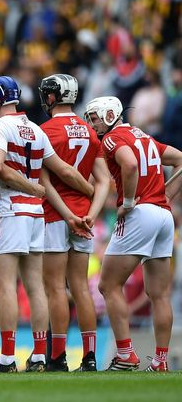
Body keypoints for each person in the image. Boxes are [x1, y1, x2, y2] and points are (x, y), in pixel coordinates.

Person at [0, 76, 94, 373]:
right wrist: (90, 192)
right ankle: (39, 354)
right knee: (36, 286)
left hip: (9, 209)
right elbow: (63, 170)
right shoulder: (36, 129)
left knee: (5, 286)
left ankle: (9, 357)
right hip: (36, 213)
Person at [86, 96, 182, 372]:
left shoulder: (112, 139)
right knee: (159, 294)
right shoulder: (145, 137)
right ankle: (161, 360)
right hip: (163, 216)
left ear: (109, 115)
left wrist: (128, 203)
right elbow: (180, 160)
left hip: (140, 214)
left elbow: (128, 165)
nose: (93, 123)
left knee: (108, 285)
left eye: (94, 117)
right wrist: (165, 197)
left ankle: (126, 354)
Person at [37, 74, 110, 372]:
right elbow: (104, 181)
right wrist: (91, 213)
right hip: (85, 218)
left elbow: (45, 183)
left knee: (54, 287)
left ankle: (57, 357)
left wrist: (67, 214)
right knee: (80, 286)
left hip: (55, 215)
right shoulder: (90, 132)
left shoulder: (44, 131)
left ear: (53, 97)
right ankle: (90, 357)